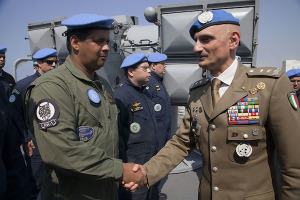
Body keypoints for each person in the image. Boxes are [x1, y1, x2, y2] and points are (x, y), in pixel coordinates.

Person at [128, 10, 300, 200]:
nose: (196, 48)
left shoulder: (270, 86)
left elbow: (293, 166)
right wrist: (146, 173)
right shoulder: (197, 93)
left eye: (205, 39)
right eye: (196, 40)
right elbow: (181, 143)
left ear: (233, 40)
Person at [23, 14, 144, 200]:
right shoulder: (52, 87)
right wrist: (119, 170)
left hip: (105, 190)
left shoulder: (101, 83)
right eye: (98, 41)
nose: (106, 48)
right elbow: (60, 150)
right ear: (75, 42)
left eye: (107, 41)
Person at [10, 48, 57, 200]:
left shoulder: (56, 83)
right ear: (39, 63)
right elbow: (14, 113)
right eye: (50, 62)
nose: (54, 65)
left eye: (55, 61)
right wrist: (25, 137)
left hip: (54, 138)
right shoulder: (24, 86)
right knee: (37, 179)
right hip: (34, 140)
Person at [114, 52, 159, 200]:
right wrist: (123, 167)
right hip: (133, 162)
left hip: (149, 159)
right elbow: (117, 134)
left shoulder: (144, 92)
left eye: (149, 68)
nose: (149, 71)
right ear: (131, 71)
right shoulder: (121, 96)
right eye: (145, 68)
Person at [146, 52, 171, 151]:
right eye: (162, 63)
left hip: (163, 130)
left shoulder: (158, 81)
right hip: (156, 132)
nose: (165, 66)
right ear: (153, 66)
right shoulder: (150, 82)